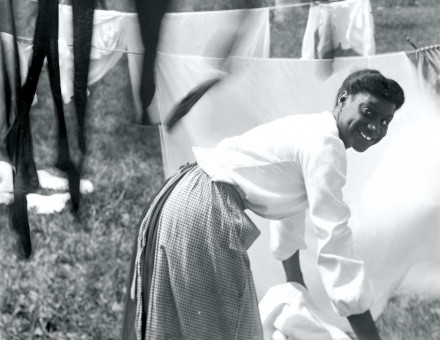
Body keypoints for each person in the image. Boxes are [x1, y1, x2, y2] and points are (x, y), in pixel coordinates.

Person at [121, 69, 405, 340]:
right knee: (226, 328)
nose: (375, 128)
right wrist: (368, 332)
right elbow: (335, 245)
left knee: (187, 322)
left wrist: (296, 288)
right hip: (204, 209)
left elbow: (290, 214)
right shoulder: (326, 145)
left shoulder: (312, 129)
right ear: (343, 99)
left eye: (385, 122)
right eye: (369, 113)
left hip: (185, 194)